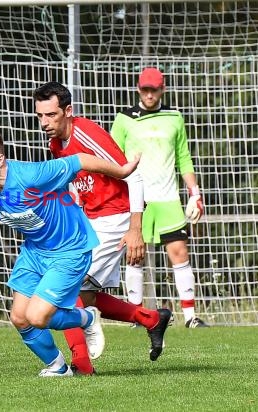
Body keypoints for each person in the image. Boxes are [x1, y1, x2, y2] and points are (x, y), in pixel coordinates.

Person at [0, 125, 145, 377]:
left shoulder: (32, 175)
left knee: (37, 316)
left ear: (0, 160)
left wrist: (122, 171)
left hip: (70, 249)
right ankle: (57, 366)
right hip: (35, 252)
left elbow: (79, 160)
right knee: (20, 317)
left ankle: (87, 318)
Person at [33, 81, 173, 374]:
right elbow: (75, 184)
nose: (45, 123)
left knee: (65, 289)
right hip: (92, 219)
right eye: (40, 116)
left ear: (68, 111)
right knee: (84, 297)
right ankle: (151, 318)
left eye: (51, 115)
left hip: (116, 217)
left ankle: (81, 366)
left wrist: (135, 229)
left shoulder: (87, 133)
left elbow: (132, 177)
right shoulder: (56, 143)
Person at [110, 67, 209, 328]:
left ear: (162, 89)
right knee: (135, 255)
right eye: (145, 89)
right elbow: (112, 159)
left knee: (179, 252)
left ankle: (190, 318)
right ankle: (136, 316)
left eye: (154, 89)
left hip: (167, 198)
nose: (149, 94)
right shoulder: (123, 119)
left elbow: (183, 158)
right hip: (136, 199)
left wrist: (195, 193)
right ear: (138, 89)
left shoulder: (174, 117)